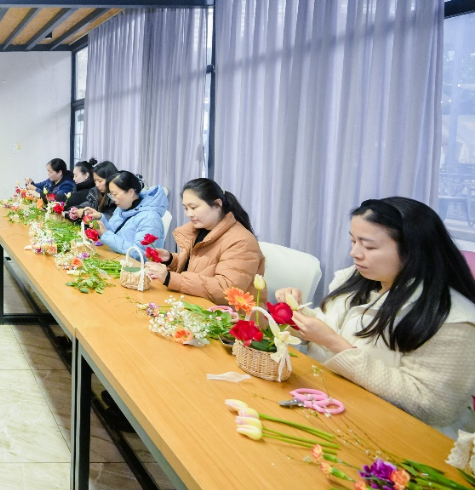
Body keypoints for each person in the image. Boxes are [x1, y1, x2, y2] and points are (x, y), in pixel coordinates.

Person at [276, 198, 475, 436]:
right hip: (332, 403)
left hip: (401, 434)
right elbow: (330, 326)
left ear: (413, 250)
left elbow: (432, 406)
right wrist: (296, 314)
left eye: (369, 247)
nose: (354, 253)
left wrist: (336, 344)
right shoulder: (357, 279)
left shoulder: (453, 320)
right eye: (353, 241)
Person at [143, 178, 264, 304]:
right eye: (186, 208)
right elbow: (199, 267)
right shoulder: (201, 229)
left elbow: (226, 289)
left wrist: (170, 278)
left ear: (217, 204)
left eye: (193, 207)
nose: (189, 214)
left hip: (226, 312)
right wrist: (170, 259)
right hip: (197, 302)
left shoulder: (242, 241)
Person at [91, 171, 168, 254]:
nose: (113, 199)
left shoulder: (150, 218)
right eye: (111, 195)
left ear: (131, 192)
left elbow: (139, 254)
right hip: (119, 256)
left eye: (115, 194)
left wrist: (106, 234)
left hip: (134, 262)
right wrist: (101, 219)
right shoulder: (122, 208)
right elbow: (115, 233)